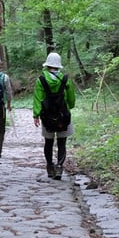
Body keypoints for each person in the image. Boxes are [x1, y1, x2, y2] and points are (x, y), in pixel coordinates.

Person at [33, 51, 76, 180]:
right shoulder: (65, 80)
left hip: (47, 116)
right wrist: (68, 107)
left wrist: (36, 115)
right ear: (58, 66)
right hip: (63, 116)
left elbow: (38, 99)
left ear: (47, 65)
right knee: (62, 142)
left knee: (48, 142)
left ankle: (50, 167)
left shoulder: (40, 80)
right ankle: (59, 167)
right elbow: (71, 99)